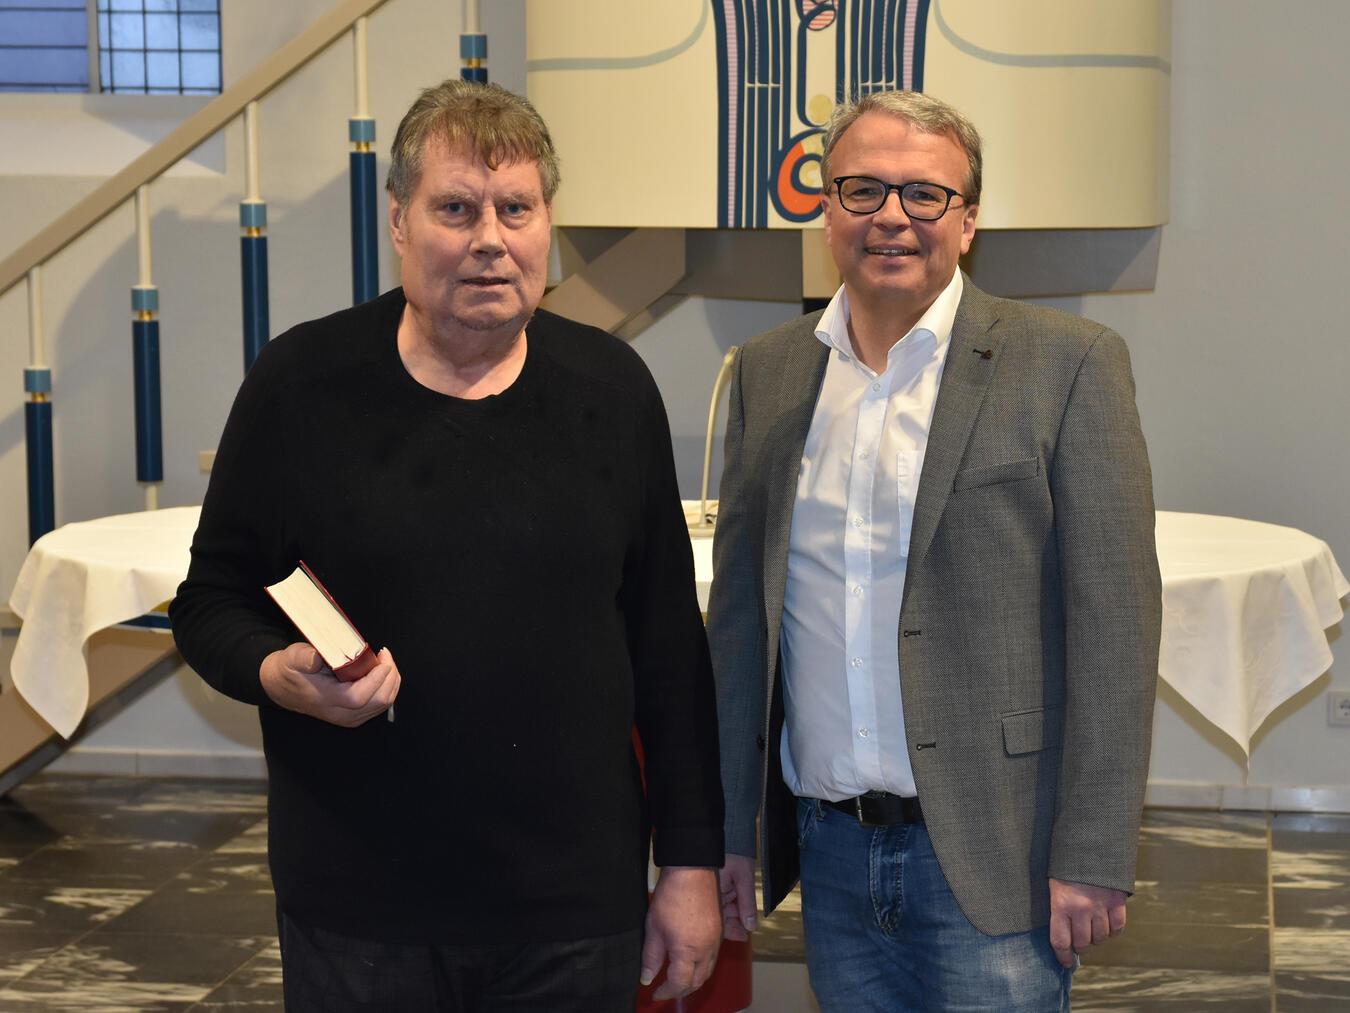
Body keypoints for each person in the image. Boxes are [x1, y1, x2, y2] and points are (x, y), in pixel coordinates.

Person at [170, 79, 723, 1012]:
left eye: (517, 209)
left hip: (572, 905)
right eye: (455, 209)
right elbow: (210, 599)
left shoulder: (613, 391)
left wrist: (692, 863)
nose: (489, 240)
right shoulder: (302, 384)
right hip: (361, 904)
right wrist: (276, 673)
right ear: (398, 219)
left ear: (548, 222)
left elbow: (668, 650)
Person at [709, 90, 1161, 1011]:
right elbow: (740, 630)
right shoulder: (769, 371)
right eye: (863, 189)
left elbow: (1116, 626)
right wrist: (730, 827)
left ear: (969, 218)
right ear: (825, 206)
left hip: (998, 853)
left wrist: (1093, 851)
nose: (892, 218)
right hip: (830, 847)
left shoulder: (1068, 364)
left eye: (924, 195)